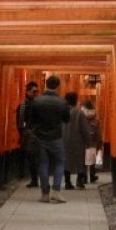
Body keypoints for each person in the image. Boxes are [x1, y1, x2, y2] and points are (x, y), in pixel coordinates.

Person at [28, 75, 70, 203]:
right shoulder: (62, 102)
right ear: (58, 86)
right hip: (56, 136)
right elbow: (66, 119)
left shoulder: (36, 101)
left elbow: (31, 120)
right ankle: (56, 191)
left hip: (40, 136)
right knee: (60, 162)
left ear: (46, 84)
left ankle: (45, 193)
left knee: (43, 164)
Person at [62, 92, 91, 189]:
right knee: (80, 161)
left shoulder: (62, 112)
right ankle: (79, 181)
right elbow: (84, 128)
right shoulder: (79, 113)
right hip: (78, 140)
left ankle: (67, 182)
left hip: (64, 140)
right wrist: (88, 141)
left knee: (66, 161)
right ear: (75, 100)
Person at [16, 81, 40, 187]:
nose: (35, 93)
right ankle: (33, 178)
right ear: (28, 91)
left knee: (35, 157)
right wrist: (23, 133)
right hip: (29, 134)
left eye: (37, 91)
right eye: (34, 91)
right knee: (31, 157)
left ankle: (34, 179)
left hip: (37, 133)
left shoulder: (38, 104)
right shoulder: (23, 105)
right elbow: (20, 122)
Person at [81, 99, 102, 183]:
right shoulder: (95, 116)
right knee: (92, 159)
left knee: (84, 160)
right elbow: (98, 131)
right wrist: (99, 142)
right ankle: (92, 176)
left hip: (84, 140)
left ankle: (84, 177)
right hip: (93, 140)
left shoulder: (82, 115)